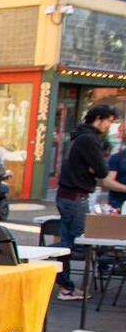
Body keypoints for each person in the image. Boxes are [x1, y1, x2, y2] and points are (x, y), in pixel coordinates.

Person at [54, 104, 126, 299]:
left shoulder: (80, 136)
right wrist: (93, 170)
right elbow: (102, 171)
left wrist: (93, 169)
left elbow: (98, 169)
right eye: (109, 121)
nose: (109, 125)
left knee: (69, 241)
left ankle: (66, 287)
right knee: (77, 244)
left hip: (68, 194)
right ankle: (41, 255)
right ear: (99, 118)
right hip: (76, 196)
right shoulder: (89, 139)